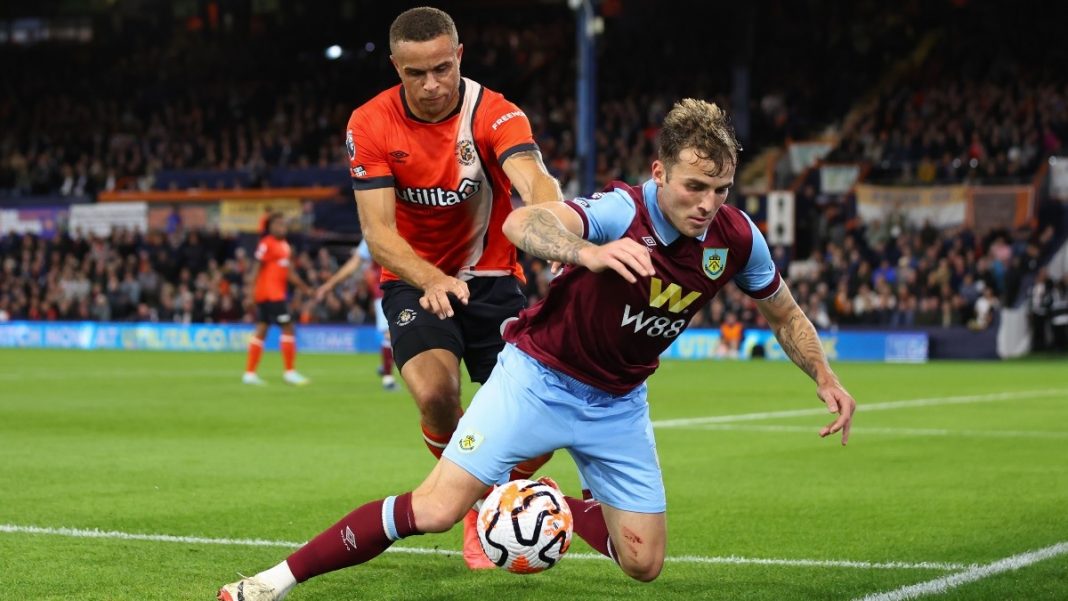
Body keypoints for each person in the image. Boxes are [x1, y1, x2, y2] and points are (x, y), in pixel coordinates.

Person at [217, 98, 856, 601]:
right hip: (537, 379)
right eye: (694, 186)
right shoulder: (618, 211)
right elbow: (522, 223)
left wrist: (823, 374)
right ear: (660, 172)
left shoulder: (736, 238)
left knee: (645, 563)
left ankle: (545, 498)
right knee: (437, 510)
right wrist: (587, 252)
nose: (707, 204)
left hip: (618, 402)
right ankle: (277, 581)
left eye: (721, 190)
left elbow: (783, 311)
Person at [343, 6, 562, 567]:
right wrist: (430, 277)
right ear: (395, 66)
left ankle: (477, 497)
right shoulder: (369, 123)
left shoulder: (495, 113)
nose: (432, 84)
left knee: (539, 430)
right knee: (438, 396)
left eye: (442, 68)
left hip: (494, 281)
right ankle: (477, 508)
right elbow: (377, 231)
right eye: (415, 73)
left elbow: (533, 178)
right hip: (414, 280)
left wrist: (558, 227)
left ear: (459, 56)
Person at [315, 239, 397, 390]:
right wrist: (329, 285)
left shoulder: (408, 226)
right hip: (385, 290)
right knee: (389, 334)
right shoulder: (372, 234)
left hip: (411, 288)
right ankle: (388, 377)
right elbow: (354, 263)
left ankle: (388, 362)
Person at [242, 213, 312, 386]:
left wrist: (305, 288)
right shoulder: (266, 243)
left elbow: (289, 273)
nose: (282, 227)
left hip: (273, 294)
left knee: (262, 329)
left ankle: (249, 374)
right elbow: (256, 268)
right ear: (271, 227)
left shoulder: (285, 246)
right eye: (278, 224)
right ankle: (290, 372)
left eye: (283, 224)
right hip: (271, 295)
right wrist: (249, 294)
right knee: (288, 327)